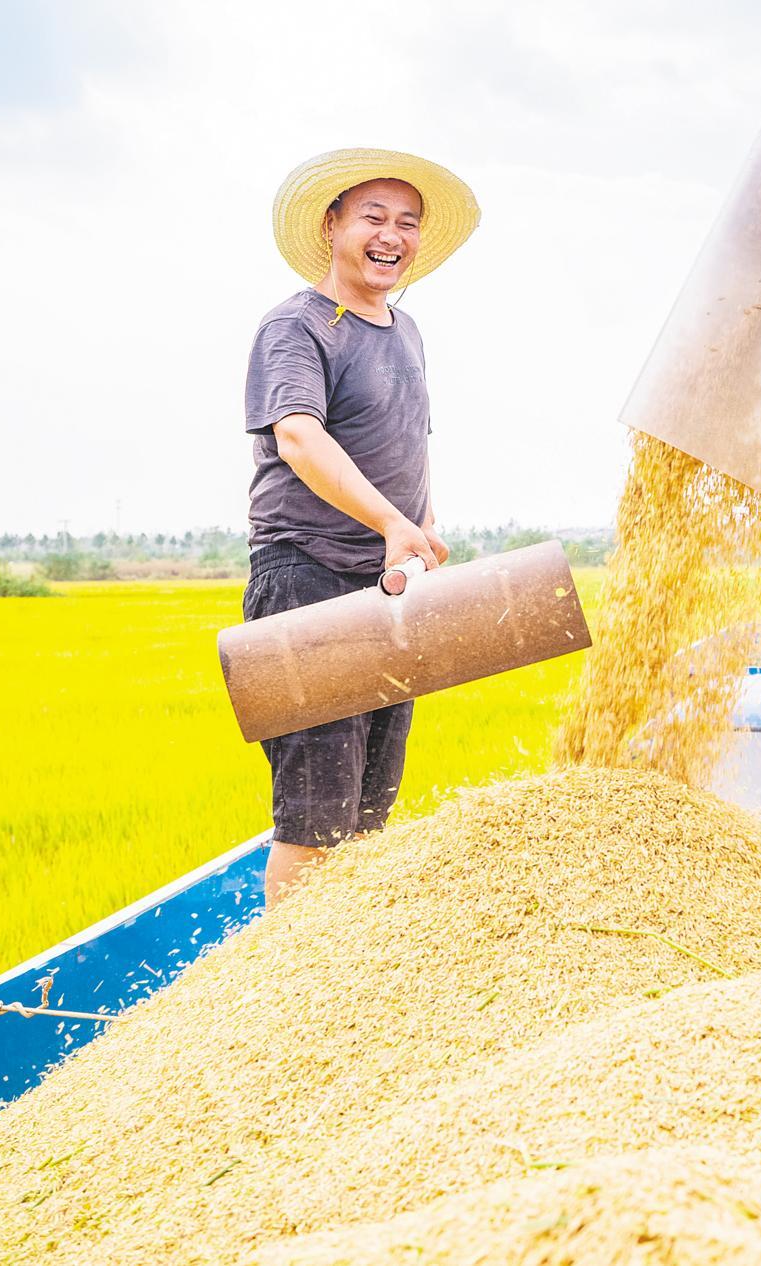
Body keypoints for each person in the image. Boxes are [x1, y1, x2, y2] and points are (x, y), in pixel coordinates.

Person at [242, 148, 480, 904]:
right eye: (373, 217)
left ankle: (345, 986)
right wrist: (388, 520)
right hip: (308, 580)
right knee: (316, 819)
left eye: (407, 223)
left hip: (389, 585)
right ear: (332, 224)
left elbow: (412, 439)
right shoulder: (296, 327)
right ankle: (290, 995)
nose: (391, 235)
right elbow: (300, 438)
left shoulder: (404, 331)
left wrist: (423, 523)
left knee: (371, 811)